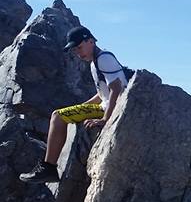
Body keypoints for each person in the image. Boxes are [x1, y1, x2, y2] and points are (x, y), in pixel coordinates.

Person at [20, 25, 128, 183]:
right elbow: (102, 93)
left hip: (115, 108)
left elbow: (116, 89)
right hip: (105, 105)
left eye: (79, 47)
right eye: (75, 50)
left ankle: (48, 168)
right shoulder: (95, 62)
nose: (78, 53)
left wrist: (105, 119)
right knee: (59, 114)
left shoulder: (104, 58)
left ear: (90, 40)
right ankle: (48, 167)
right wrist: (81, 109)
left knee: (57, 116)